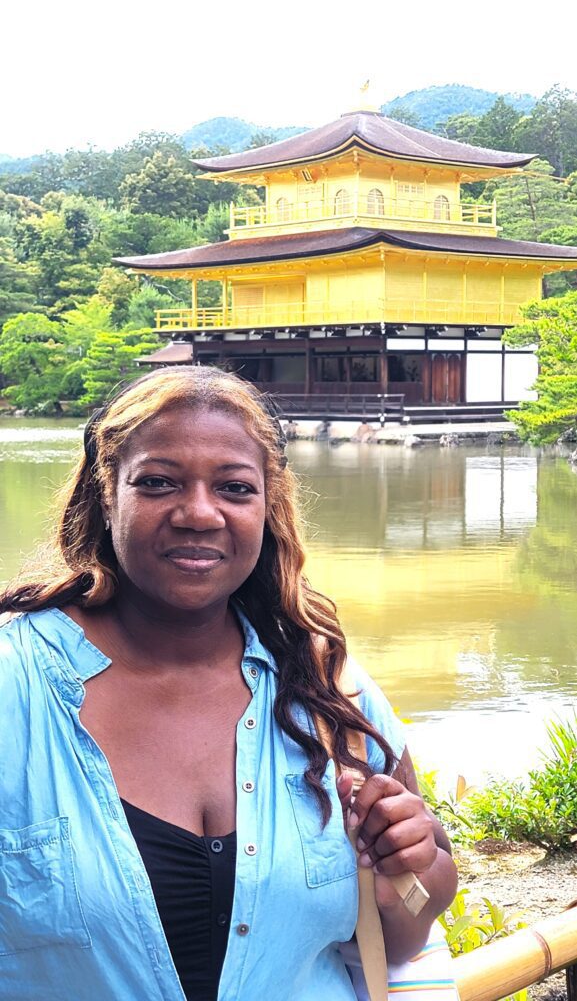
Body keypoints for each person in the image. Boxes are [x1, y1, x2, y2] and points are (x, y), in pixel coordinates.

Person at [0, 366, 457, 1001]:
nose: (198, 513)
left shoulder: (324, 691)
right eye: (158, 483)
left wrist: (410, 870)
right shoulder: (14, 685)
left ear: (267, 508)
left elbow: (399, 938)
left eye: (235, 489)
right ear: (108, 493)